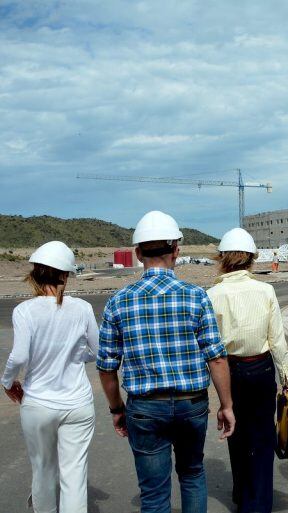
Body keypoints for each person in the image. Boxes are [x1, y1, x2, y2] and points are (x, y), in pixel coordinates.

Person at [96, 210, 235, 513]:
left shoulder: (118, 301)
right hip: (191, 404)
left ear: (137, 253)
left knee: (154, 493)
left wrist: (117, 409)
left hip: (144, 409)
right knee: (193, 474)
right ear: (176, 250)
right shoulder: (196, 296)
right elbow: (217, 358)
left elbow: (106, 367)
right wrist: (226, 405)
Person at [2, 241, 99, 512]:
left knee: (42, 471)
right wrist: (77, 355)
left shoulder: (25, 311)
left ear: (34, 273)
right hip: (78, 403)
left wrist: (8, 382)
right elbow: (97, 351)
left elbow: (19, 356)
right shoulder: (82, 308)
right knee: (74, 474)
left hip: (38, 404)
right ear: (65, 275)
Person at [207, 228, 288, 513]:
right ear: (251, 259)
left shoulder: (212, 294)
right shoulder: (265, 290)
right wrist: (287, 379)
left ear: (222, 258)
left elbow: (208, 345)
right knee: (262, 435)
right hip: (260, 368)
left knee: (236, 434)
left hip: (227, 371)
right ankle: (259, 504)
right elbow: (277, 339)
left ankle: (242, 496)